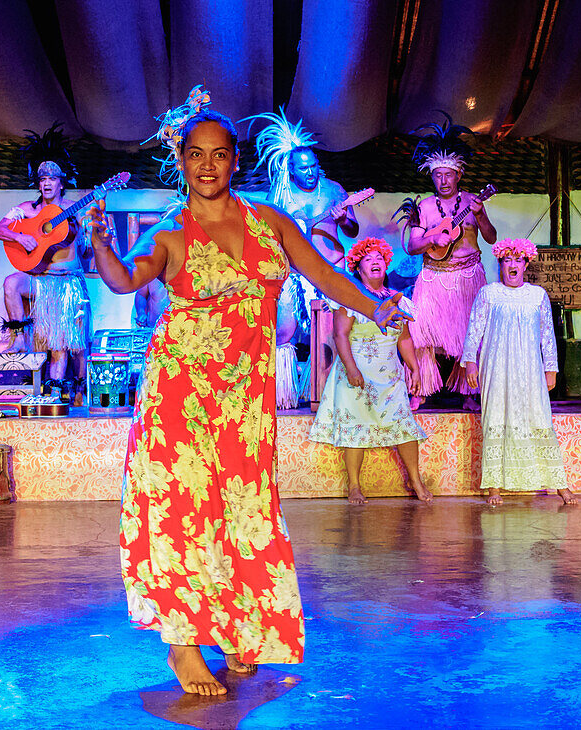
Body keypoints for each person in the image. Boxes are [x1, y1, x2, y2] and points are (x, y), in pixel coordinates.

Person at [85, 90, 410, 697]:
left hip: (246, 399)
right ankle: (183, 645)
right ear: (180, 160)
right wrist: (100, 242)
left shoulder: (270, 221)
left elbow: (322, 272)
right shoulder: (168, 232)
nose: (207, 165)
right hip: (181, 392)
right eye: (194, 154)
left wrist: (377, 306)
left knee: (244, 507)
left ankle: (238, 627)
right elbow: (126, 278)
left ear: (236, 161)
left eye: (219, 154)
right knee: (183, 508)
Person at [252, 109, 364, 409]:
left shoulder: (333, 191)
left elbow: (352, 230)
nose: (310, 172)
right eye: (303, 168)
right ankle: (284, 394)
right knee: (285, 330)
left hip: (329, 268)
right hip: (292, 270)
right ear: (290, 170)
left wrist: (342, 220)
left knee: (330, 331)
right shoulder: (280, 194)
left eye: (314, 166)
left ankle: (329, 393)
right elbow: (268, 233)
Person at [308, 237, 432, 506]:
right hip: (357, 374)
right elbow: (340, 335)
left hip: (390, 375)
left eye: (379, 258)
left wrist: (414, 366)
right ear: (358, 266)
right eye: (368, 258)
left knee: (404, 427)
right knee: (356, 429)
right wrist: (351, 370)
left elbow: (404, 338)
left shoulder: (398, 300)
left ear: (386, 263)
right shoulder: (350, 298)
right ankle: (354, 486)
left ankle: (415, 479)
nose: (375, 262)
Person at [461, 239, 577, 506]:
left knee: (538, 416)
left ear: (526, 264)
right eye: (507, 260)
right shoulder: (489, 293)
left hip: (529, 367)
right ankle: (494, 487)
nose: (512, 265)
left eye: (518, 260)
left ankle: (559, 484)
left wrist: (551, 368)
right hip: (496, 365)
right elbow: (474, 328)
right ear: (501, 264)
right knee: (495, 416)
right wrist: (470, 361)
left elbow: (548, 334)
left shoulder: (537, 295)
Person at [397, 115, 496, 409]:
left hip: (468, 277)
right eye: (437, 175)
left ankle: (469, 392)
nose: (442, 180)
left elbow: (490, 238)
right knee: (422, 334)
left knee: (471, 334)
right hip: (433, 277)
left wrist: (479, 216)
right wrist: (432, 240)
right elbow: (413, 245)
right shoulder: (423, 207)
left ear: (459, 175)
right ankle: (420, 389)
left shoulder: (472, 202)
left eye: (448, 174)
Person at [0, 125, 92, 399]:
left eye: (52, 178)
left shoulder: (75, 210)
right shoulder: (26, 210)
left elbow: (86, 256)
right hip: (39, 279)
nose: (46, 183)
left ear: (61, 182)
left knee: (62, 346)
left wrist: (86, 238)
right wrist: (20, 238)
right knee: (11, 282)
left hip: (67, 284)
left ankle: (64, 393)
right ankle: (19, 340)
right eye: (41, 178)